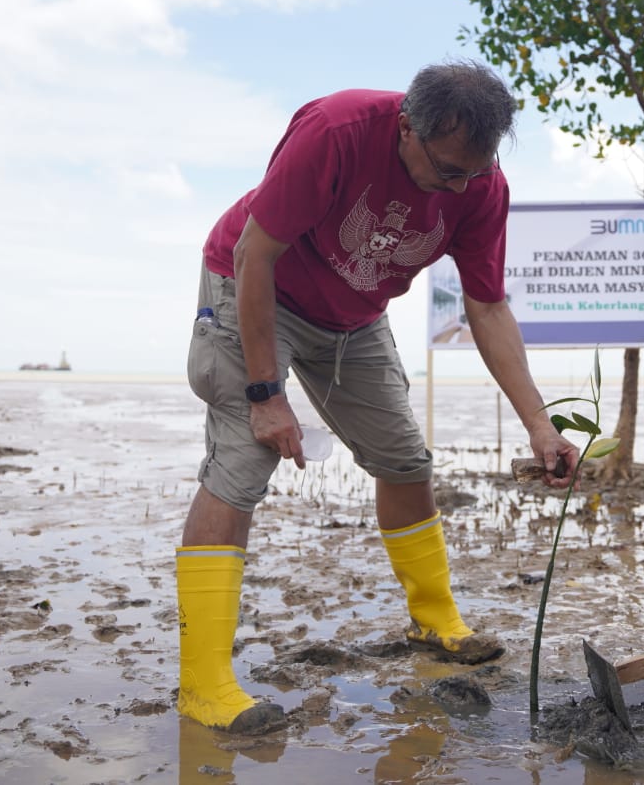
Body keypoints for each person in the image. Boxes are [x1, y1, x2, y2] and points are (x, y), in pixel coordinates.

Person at [178, 59, 580, 734]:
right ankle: (203, 684)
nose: (458, 186)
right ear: (405, 129)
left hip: (354, 314)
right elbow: (256, 254)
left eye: (472, 173)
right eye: (447, 168)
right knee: (243, 465)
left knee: (404, 459)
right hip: (255, 288)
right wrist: (265, 393)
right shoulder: (336, 130)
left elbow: (485, 306)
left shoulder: (481, 186)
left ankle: (436, 622)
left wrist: (539, 425)